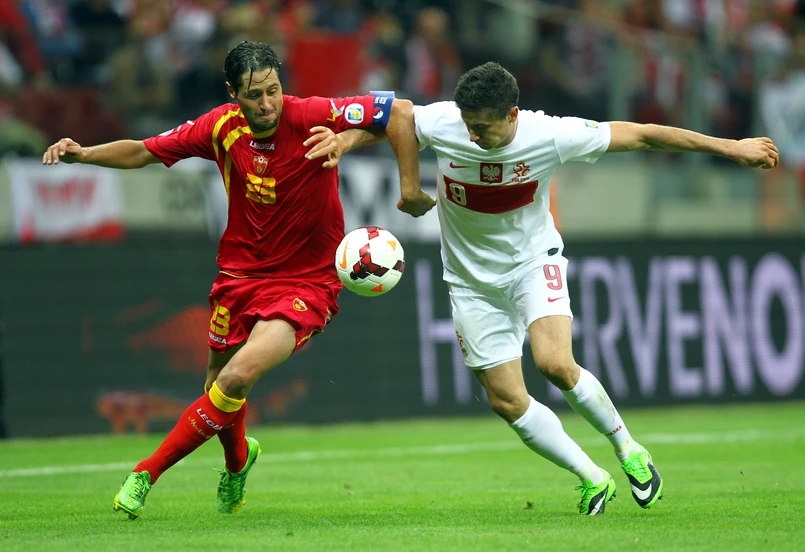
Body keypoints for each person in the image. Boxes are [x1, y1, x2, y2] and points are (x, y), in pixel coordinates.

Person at [377, 62, 779, 516]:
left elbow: (644, 135)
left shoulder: (550, 134)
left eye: (482, 128)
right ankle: (591, 477)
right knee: (506, 401)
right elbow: (397, 116)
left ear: (512, 114)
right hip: (469, 283)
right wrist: (392, 174)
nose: (471, 136)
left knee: (555, 364)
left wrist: (732, 147)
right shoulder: (447, 122)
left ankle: (629, 449)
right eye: (468, 125)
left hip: (532, 264)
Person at [42, 41, 416, 520]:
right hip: (238, 276)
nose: (267, 104)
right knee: (217, 387)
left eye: (273, 90)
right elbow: (142, 151)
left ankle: (145, 474)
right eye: (254, 95)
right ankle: (238, 463)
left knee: (236, 377)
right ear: (232, 93)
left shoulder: (312, 114)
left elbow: (399, 112)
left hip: (306, 283)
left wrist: (348, 143)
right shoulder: (219, 126)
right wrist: (83, 154)